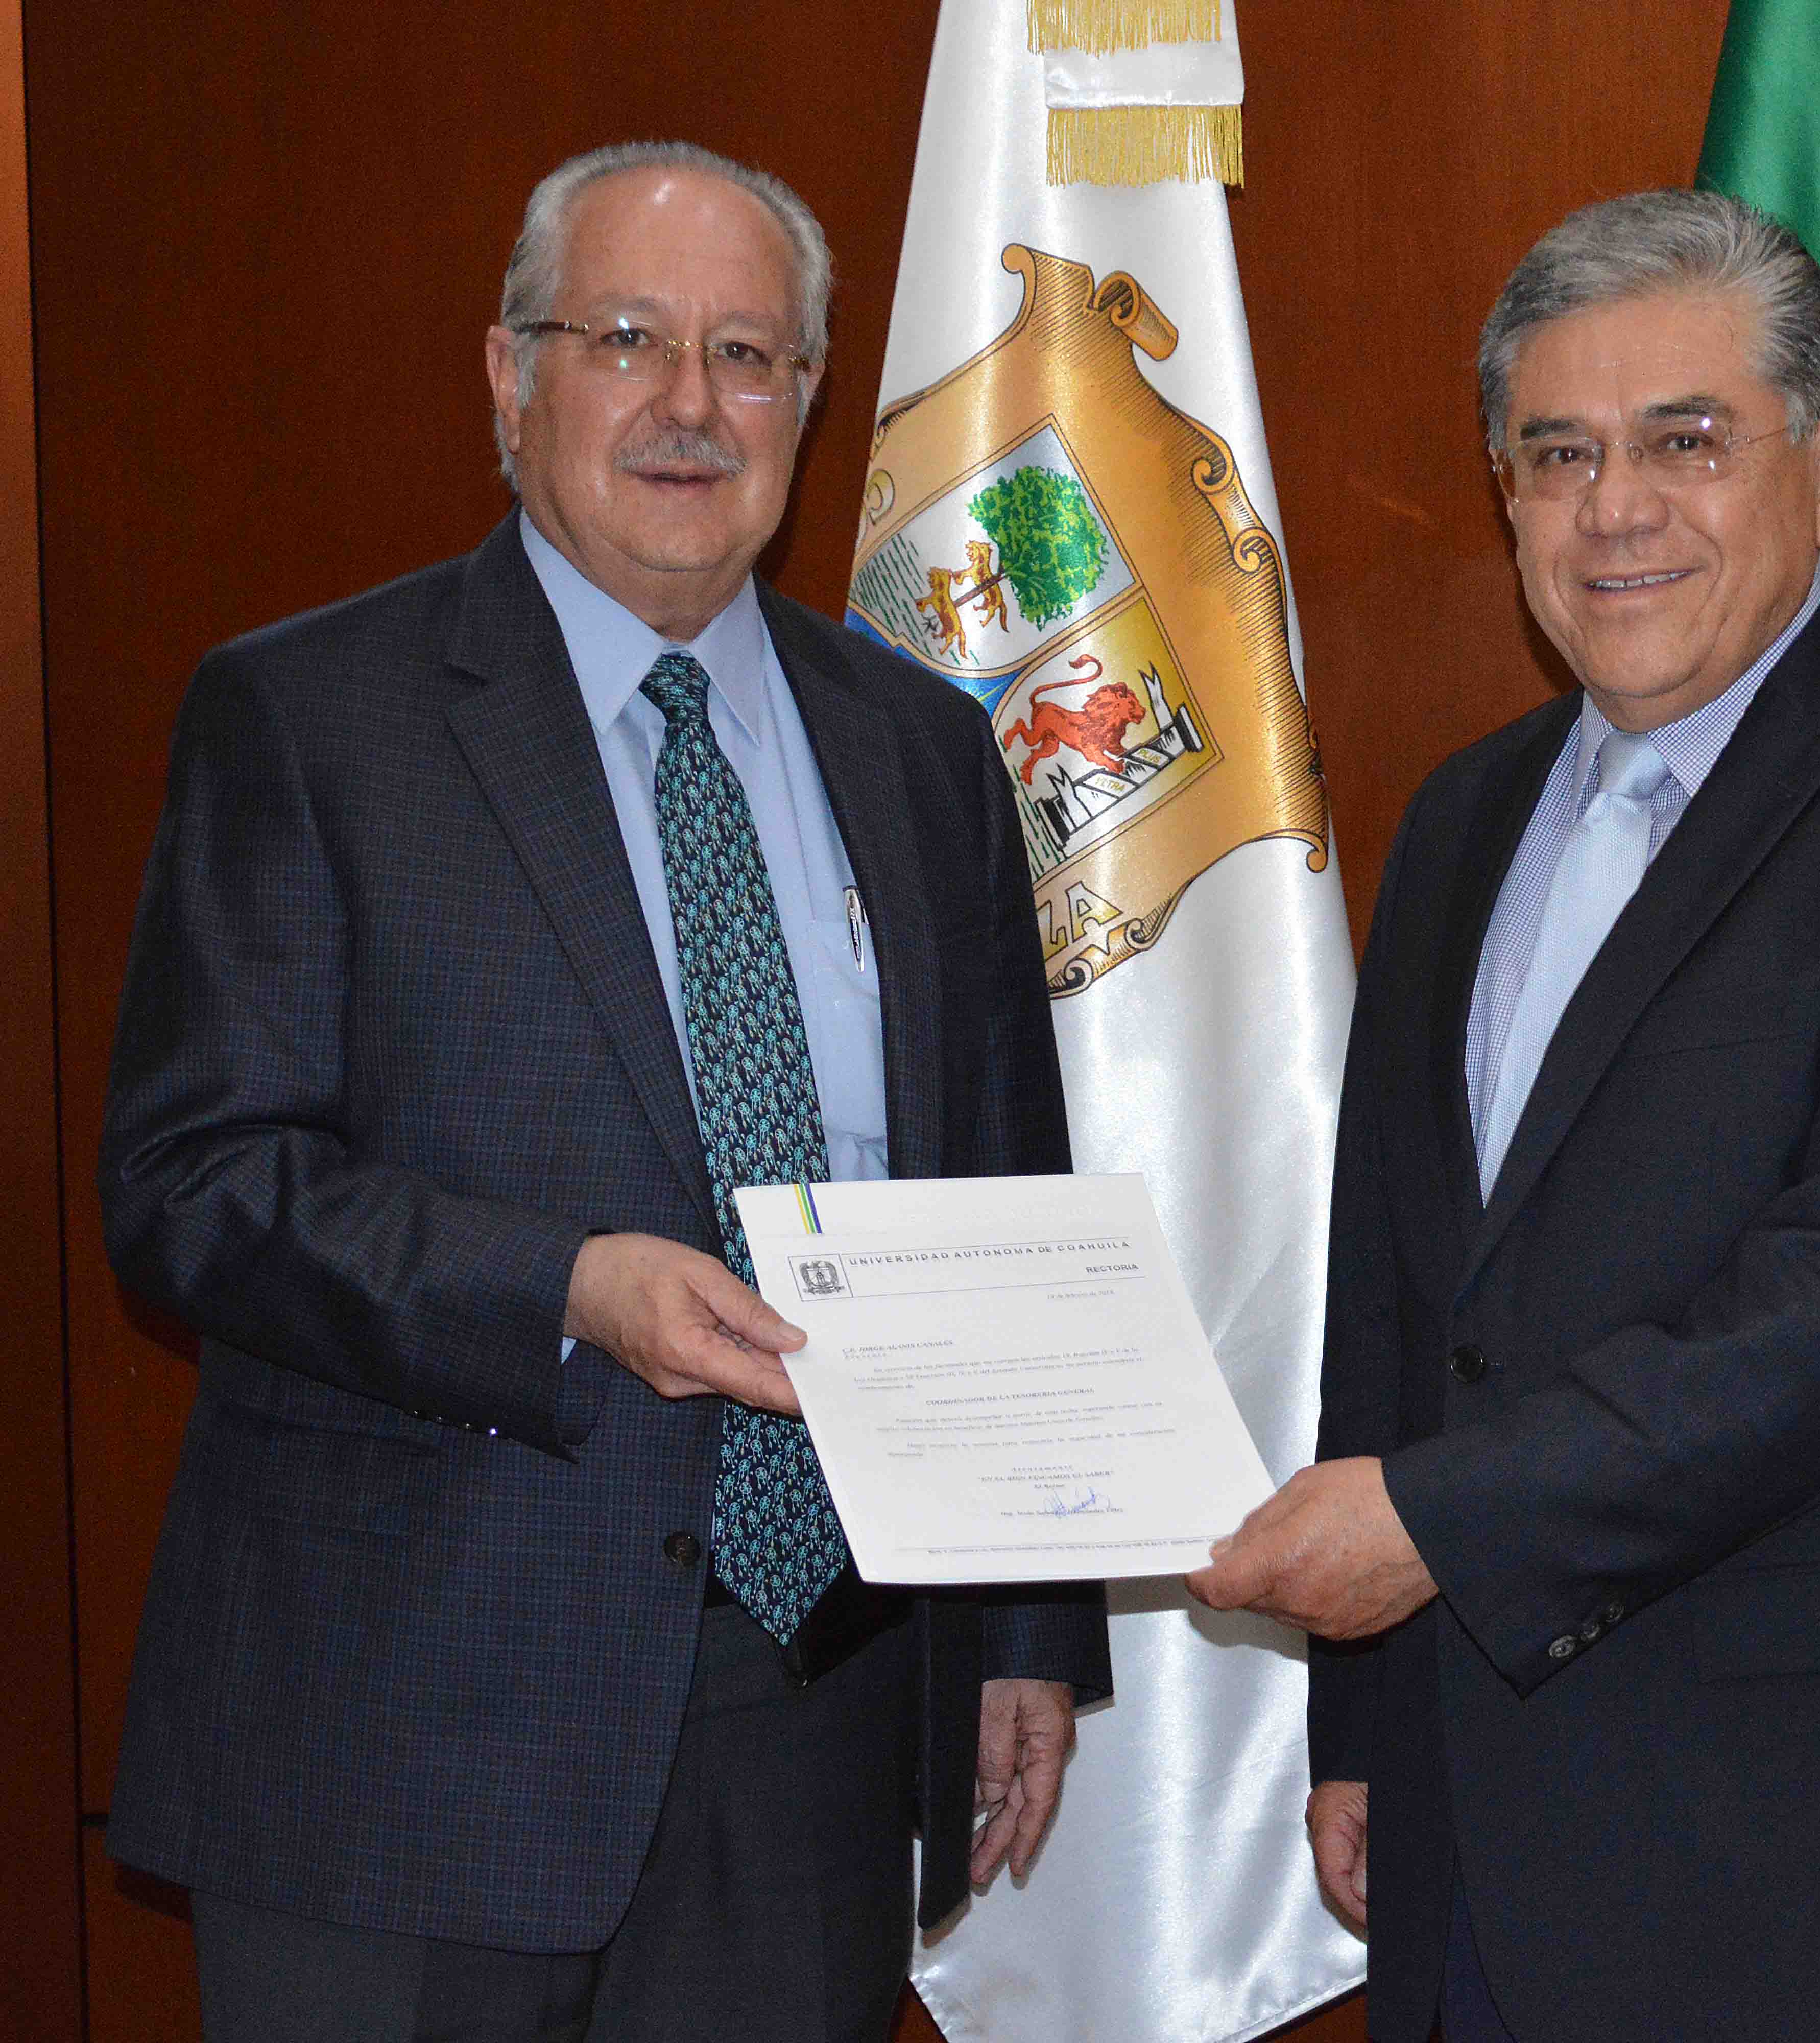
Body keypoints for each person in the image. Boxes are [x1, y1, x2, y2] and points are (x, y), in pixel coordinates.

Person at [98, 140, 1107, 2042]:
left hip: (804, 1728)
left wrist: (1023, 1628)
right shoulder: (313, 720)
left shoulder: (921, 751)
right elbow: (190, 1182)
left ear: (810, 398)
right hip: (402, 1732)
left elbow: (1000, 1186)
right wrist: (563, 1289)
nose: (688, 405)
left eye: (748, 354)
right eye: (627, 339)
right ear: (511, 377)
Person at [1188, 189, 1820, 2042]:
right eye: (1558, 454)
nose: (1616, 509)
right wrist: (1366, 1725)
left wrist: (1436, 1524)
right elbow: (1396, 1292)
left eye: (1687, 442)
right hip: (1481, 1823)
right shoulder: (1462, 819)